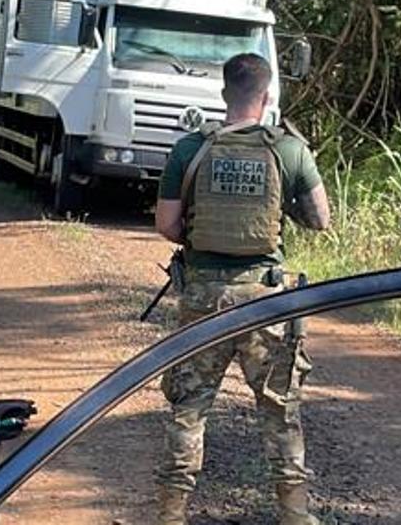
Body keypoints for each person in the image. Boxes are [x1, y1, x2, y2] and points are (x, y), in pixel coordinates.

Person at [154, 52, 332, 525]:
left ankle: (171, 515)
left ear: (224, 94)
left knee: (189, 408)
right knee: (280, 407)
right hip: (265, 301)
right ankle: (294, 515)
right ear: (268, 95)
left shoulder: (190, 149)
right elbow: (320, 219)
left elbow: (168, 225)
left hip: (202, 301)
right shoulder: (289, 150)